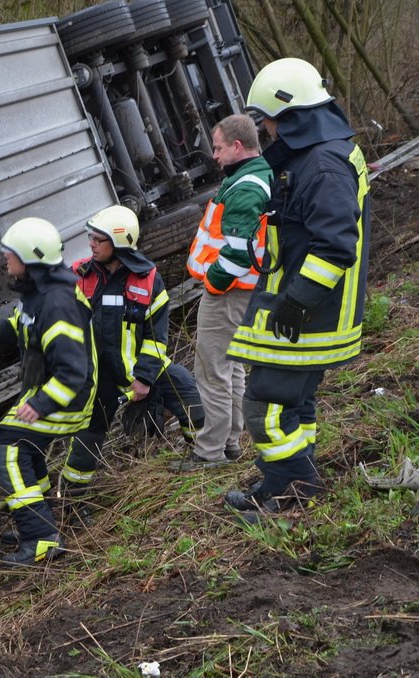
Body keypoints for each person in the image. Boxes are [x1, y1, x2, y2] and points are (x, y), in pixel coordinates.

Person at [224, 58, 370, 518]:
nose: (265, 131)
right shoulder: (324, 152)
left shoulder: (323, 165)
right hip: (311, 309)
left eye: (267, 120)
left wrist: (297, 301)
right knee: (296, 402)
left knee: (263, 405)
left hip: (311, 312)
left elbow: (334, 247)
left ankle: (295, 488)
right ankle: (283, 478)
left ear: (290, 116)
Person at [0, 217, 97, 565]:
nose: (4, 260)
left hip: (67, 398)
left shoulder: (58, 304)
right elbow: (26, 330)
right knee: (24, 447)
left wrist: (42, 404)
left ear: (30, 259)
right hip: (46, 392)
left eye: (10, 254)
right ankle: (41, 517)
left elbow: (73, 372)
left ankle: (42, 537)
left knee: (7, 450)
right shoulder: (36, 295)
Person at [66, 205, 205, 483]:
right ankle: (73, 497)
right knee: (89, 432)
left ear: (119, 242)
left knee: (187, 394)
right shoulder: (79, 276)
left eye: (98, 239)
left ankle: (201, 458)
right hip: (99, 375)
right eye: (90, 237)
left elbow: (156, 338)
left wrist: (143, 378)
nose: (91, 244)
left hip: (143, 369)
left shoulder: (149, 279)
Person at [185, 114, 273, 465]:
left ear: (238, 146)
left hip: (229, 292)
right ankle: (231, 441)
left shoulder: (247, 186)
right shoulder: (253, 176)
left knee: (210, 370)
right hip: (240, 291)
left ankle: (209, 452)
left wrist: (214, 283)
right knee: (230, 366)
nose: (215, 155)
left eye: (219, 148)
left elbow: (238, 252)